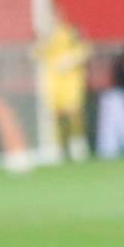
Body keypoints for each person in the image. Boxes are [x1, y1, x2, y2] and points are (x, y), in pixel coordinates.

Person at [35, 15, 91, 161]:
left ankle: (78, 143)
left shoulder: (71, 32)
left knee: (74, 112)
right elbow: (36, 53)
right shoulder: (45, 35)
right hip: (53, 81)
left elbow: (86, 49)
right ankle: (58, 146)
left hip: (71, 79)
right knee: (56, 115)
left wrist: (72, 59)